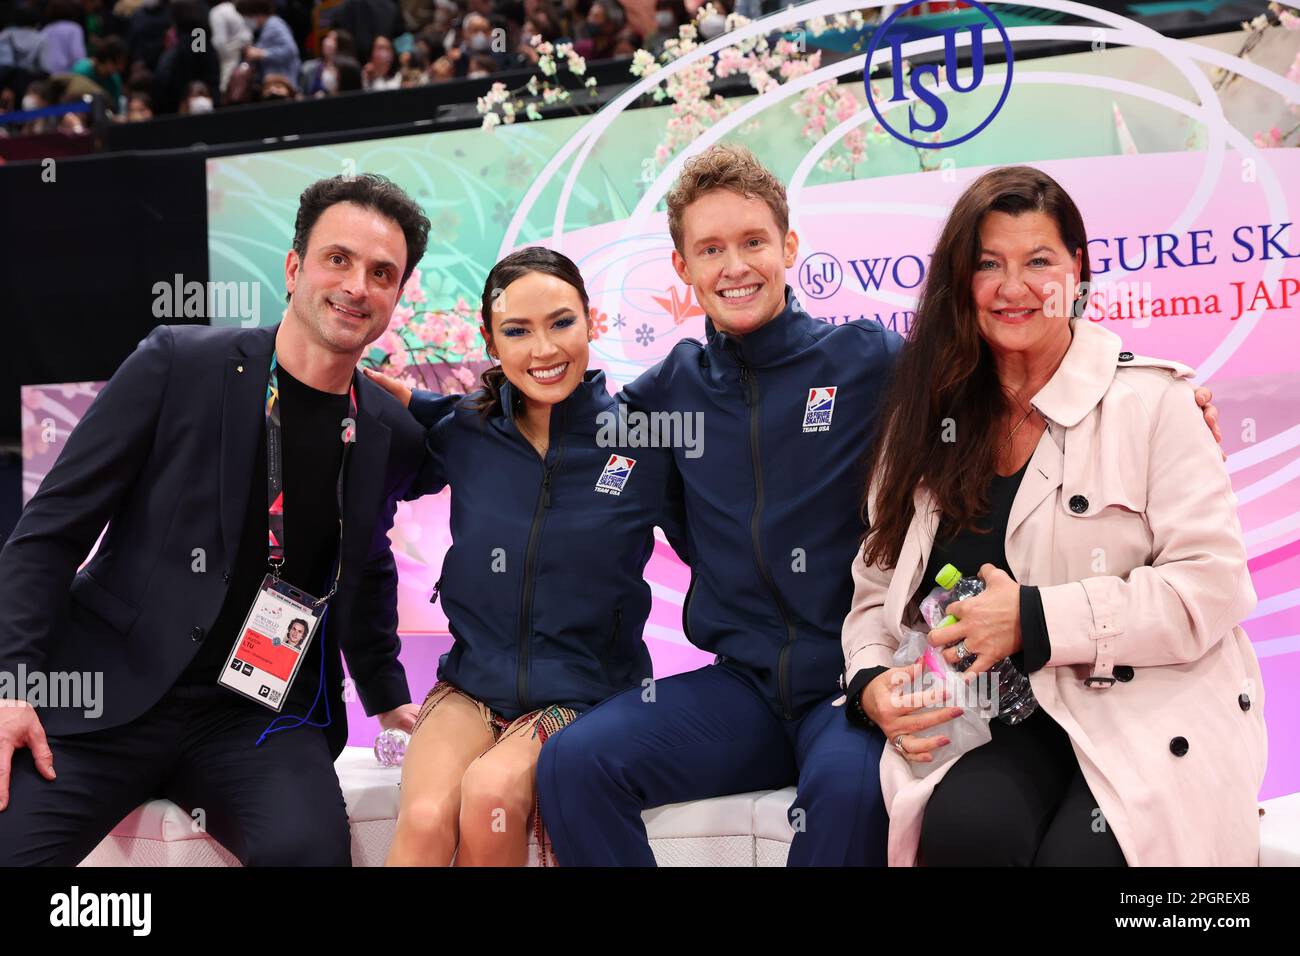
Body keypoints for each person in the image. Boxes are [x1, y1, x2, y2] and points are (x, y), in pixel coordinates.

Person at [535, 144, 1226, 867]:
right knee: (574, 764)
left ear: (788, 247)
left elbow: (1010, 369)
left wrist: (1157, 395)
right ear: (682, 267)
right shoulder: (665, 393)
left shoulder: (868, 361)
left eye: (751, 242)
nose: (734, 266)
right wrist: (449, 417)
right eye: (710, 249)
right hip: (740, 687)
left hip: (854, 680)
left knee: (855, 796)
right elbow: (577, 446)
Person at [0, 173, 434, 866]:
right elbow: (50, 533)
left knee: (311, 854)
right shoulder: (178, 363)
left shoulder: (390, 432)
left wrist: (387, 695)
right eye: (339, 259)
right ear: (294, 269)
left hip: (256, 716)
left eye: (382, 273)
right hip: (106, 695)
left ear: (396, 296)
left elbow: (367, 564)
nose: (357, 285)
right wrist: (12, 685)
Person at [841, 165, 1264, 866]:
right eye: (988, 264)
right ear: (960, 283)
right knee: (967, 835)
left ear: (1079, 271)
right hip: (989, 719)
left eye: (1038, 261)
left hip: (1147, 713)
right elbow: (875, 590)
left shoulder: (1155, 404)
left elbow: (1209, 589)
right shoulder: (923, 419)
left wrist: (1034, 619)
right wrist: (870, 682)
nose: (1013, 288)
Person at [367, 247, 684, 866]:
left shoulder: (643, 442)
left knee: (491, 797)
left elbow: (721, 538)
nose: (543, 350)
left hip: (586, 693)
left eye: (561, 322)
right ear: (490, 340)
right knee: (428, 817)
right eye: (517, 331)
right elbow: (417, 422)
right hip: (471, 684)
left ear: (591, 320)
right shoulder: (465, 431)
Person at [236, 0, 301, 85]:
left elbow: (291, 50)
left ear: (257, 14)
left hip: (284, 82)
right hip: (273, 82)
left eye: (248, 16)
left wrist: (262, 54)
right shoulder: (265, 28)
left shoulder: (274, 25)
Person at [70, 34, 128, 104]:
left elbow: (114, 106)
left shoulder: (114, 79)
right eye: (118, 64)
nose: (121, 68)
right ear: (108, 61)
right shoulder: (81, 71)